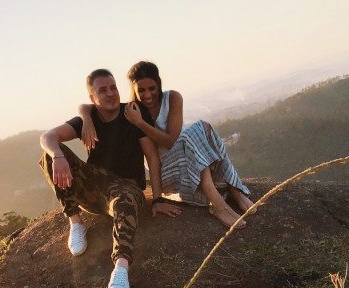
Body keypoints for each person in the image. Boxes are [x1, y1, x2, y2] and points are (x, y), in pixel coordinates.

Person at [39, 68, 181, 288]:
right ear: (92, 98)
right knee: (50, 155)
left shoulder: (132, 113)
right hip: (96, 189)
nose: (110, 93)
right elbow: (47, 137)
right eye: (102, 90)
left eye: (113, 87)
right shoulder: (88, 118)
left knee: (124, 196)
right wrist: (58, 154)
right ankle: (76, 223)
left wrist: (158, 199)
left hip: (127, 188)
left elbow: (152, 158)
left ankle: (120, 269)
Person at [79, 61, 254, 228]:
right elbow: (86, 106)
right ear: (134, 90)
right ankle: (217, 203)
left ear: (159, 84)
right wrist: (86, 118)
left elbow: (171, 139)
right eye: (141, 90)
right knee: (194, 131)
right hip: (165, 172)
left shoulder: (172, 98)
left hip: (189, 158)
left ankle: (234, 190)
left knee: (202, 128)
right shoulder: (132, 111)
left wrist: (141, 123)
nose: (147, 95)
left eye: (152, 88)